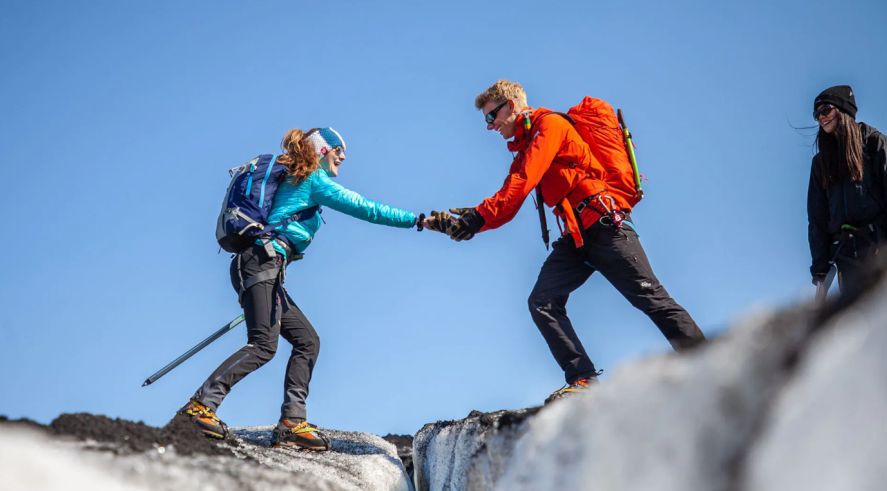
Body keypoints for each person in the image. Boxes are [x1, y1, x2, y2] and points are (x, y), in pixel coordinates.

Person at [427, 80, 704, 403]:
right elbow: (509, 197)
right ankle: (583, 378)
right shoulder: (526, 145)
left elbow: (522, 182)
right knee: (542, 302)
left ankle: (707, 362)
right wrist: (467, 222)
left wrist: (476, 218)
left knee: (650, 298)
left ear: (511, 106)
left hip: (605, 226)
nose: (490, 126)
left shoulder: (550, 126)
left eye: (492, 116)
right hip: (576, 237)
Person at [180, 127, 424, 449]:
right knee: (263, 345)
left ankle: (292, 422)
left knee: (307, 341)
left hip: (265, 267)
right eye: (338, 149)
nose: (343, 156)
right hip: (260, 263)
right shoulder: (312, 179)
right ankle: (200, 406)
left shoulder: (299, 180)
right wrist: (419, 220)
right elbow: (365, 207)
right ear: (322, 151)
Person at [807, 85, 887, 298]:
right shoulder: (821, 163)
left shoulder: (876, 144)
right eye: (817, 114)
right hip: (844, 254)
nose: (821, 117)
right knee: (856, 313)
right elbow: (817, 216)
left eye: (825, 110)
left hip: (877, 246)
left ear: (843, 109)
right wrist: (820, 266)